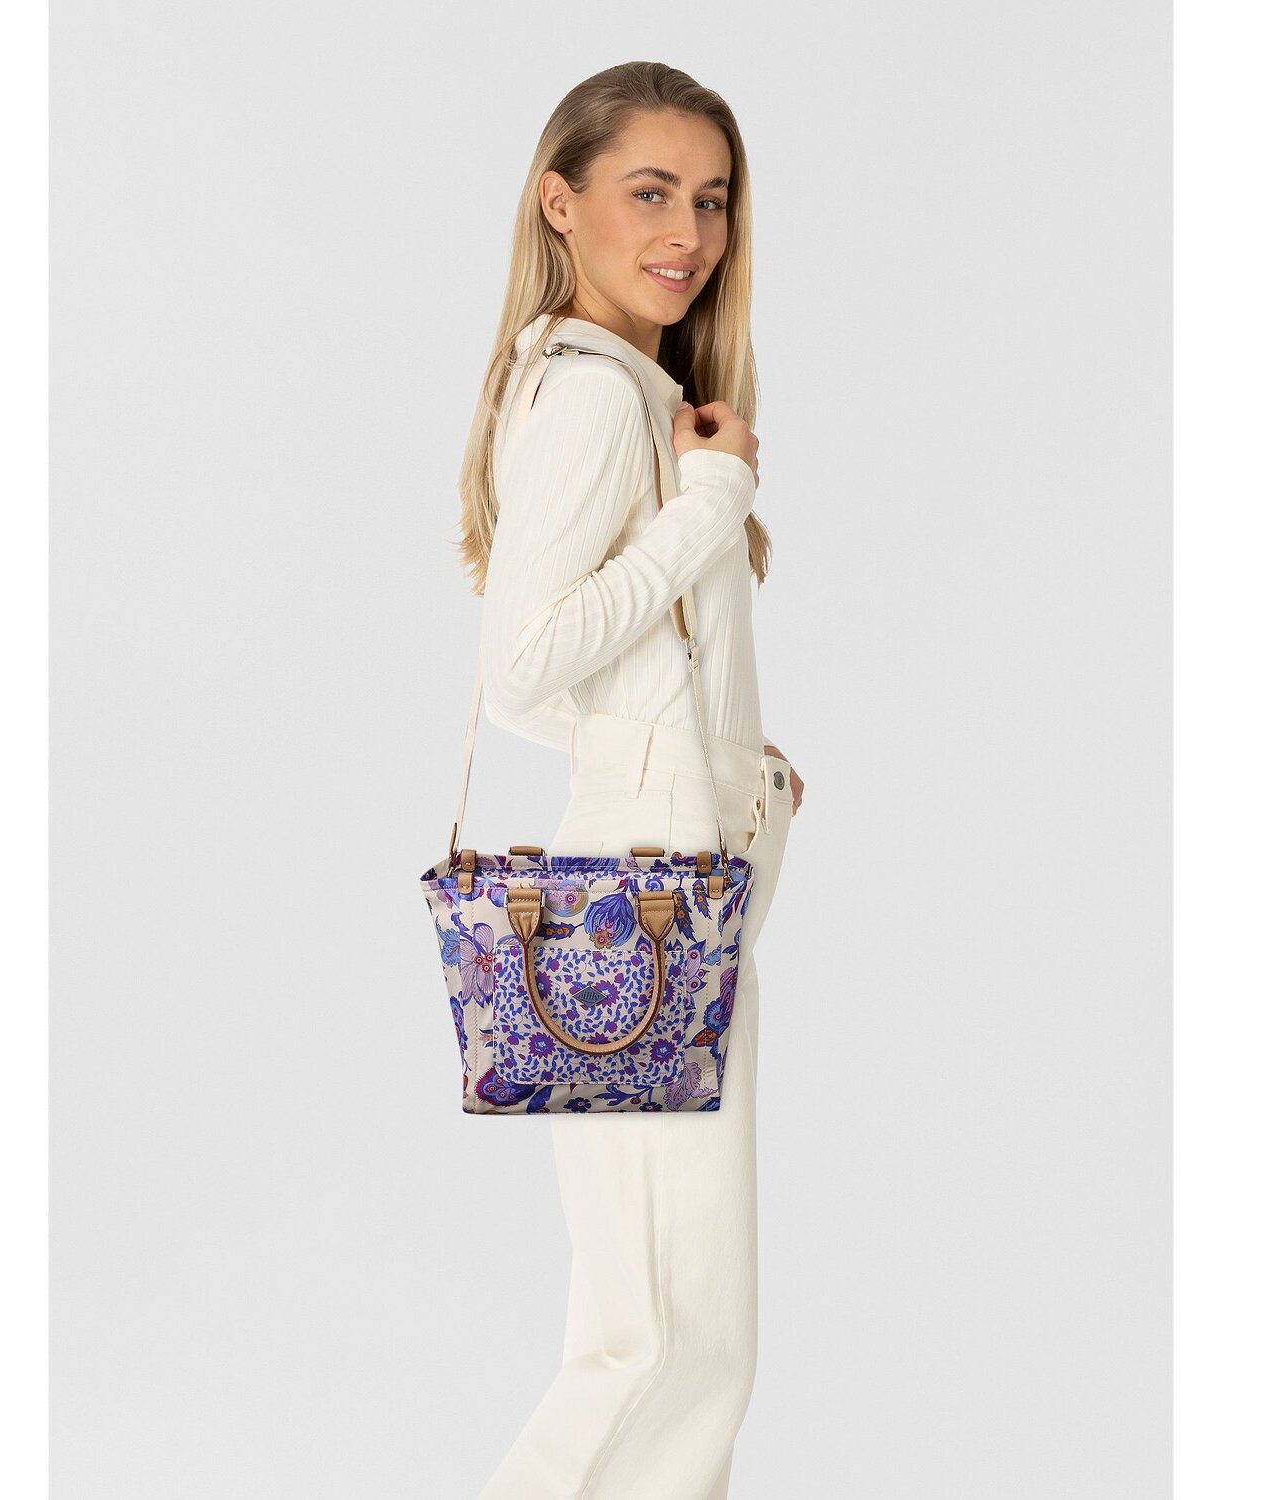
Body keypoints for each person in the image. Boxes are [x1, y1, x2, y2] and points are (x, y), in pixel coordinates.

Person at [453, 61, 804, 1500]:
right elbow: (527, 662)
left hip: (671, 869)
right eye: (649, 192)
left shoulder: (628, 386)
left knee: (678, 1332)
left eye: (711, 199)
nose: (688, 232)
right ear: (561, 202)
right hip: (646, 893)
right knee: (661, 1342)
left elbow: (586, 678)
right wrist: (712, 499)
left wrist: (734, 765)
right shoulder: (599, 399)